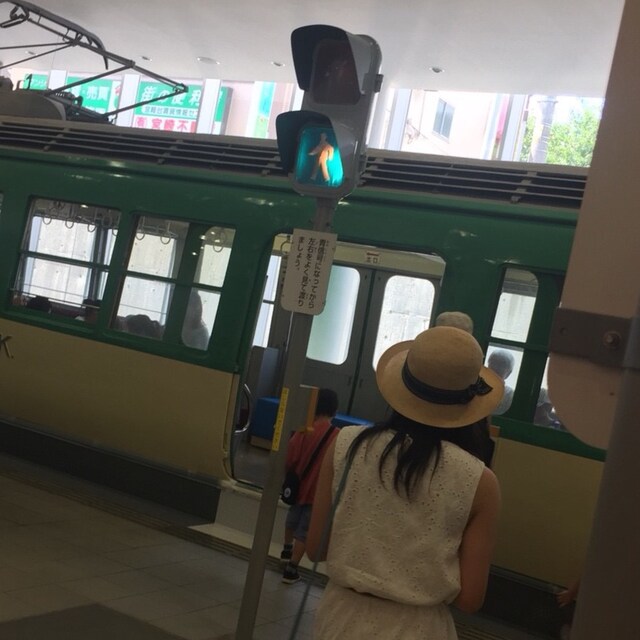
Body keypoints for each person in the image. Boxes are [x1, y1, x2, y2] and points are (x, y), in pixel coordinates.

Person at [307, 326, 504, 639]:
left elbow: (316, 548)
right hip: (419, 628)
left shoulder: (346, 443)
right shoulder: (481, 482)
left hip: (340, 618)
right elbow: (470, 599)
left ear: (401, 386)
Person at [280, 388, 339, 585]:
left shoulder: (304, 429)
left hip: (298, 486)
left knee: (292, 519)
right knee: (304, 529)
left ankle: (286, 550)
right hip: (317, 492)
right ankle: (291, 569)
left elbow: (291, 457)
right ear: (334, 409)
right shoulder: (336, 435)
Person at [487, 349, 515, 415]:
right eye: (493, 363)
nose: (495, 368)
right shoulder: (476, 385)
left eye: (501, 365)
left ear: (508, 373)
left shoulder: (509, 394)